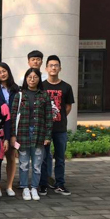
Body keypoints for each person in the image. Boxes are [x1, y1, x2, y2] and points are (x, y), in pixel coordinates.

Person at [10, 68, 52, 201]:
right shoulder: (20, 95)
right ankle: (24, 188)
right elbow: (13, 116)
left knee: (37, 164)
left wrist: (47, 136)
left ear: (39, 79)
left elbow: (49, 117)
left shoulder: (44, 95)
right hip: (22, 133)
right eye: (29, 77)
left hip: (39, 133)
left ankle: (34, 187)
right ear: (26, 79)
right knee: (23, 164)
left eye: (35, 77)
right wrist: (13, 135)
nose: (32, 80)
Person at [40, 55, 74, 196]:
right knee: (43, 157)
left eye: (56, 65)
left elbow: (68, 107)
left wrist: (58, 117)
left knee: (60, 158)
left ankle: (60, 184)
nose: (53, 67)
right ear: (46, 68)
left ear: (60, 68)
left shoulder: (66, 87)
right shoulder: (41, 86)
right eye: (51, 65)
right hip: (44, 129)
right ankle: (43, 184)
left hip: (60, 128)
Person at [0, 62, 20, 197]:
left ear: (8, 72)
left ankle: (9, 186)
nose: (2, 74)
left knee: (11, 156)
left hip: (13, 126)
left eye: (4, 71)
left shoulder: (16, 89)